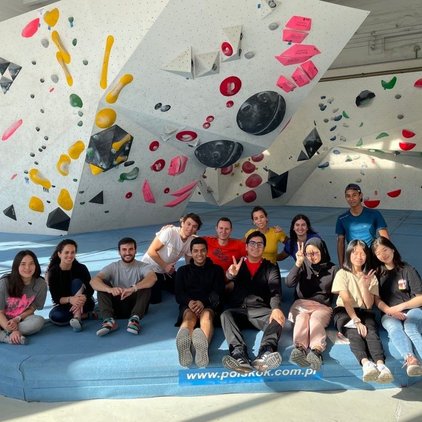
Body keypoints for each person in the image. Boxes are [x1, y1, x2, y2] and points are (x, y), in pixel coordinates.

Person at [221, 231, 285, 373]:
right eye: (252, 243)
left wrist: (275, 308)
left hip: (260, 310)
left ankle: (265, 352)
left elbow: (275, 290)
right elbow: (227, 279)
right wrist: (231, 274)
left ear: (264, 248)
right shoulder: (237, 264)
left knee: (277, 318)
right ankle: (239, 355)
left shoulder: (271, 267)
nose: (256, 246)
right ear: (246, 246)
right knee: (225, 315)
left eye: (260, 244)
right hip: (239, 309)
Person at [331, 239, 393, 383]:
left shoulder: (371, 276)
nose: (359, 256)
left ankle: (381, 365)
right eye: (355, 252)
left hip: (365, 310)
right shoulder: (342, 273)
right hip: (345, 311)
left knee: (371, 332)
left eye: (362, 253)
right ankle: (366, 364)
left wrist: (365, 286)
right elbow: (345, 299)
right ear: (348, 254)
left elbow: (369, 304)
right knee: (354, 333)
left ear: (367, 256)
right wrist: (356, 320)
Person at [372, 236, 422, 377]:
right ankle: (410, 360)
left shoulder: (407, 269)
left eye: (385, 249)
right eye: (378, 253)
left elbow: (420, 298)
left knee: (410, 326)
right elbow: (376, 300)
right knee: (394, 328)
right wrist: (389, 310)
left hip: (413, 310)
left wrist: (399, 308)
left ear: (392, 249)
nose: (383, 254)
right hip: (389, 313)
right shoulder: (377, 273)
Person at [286, 238, 337, 370]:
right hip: (301, 304)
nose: (312, 256)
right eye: (308, 253)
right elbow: (289, 283)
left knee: (315, 319)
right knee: (302, 317)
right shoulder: (303, 265)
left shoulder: (333, 269)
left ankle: (316, 351)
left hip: (322, 307)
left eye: (315, 252)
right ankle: (300, 349)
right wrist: (298, 263)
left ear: (322, 251)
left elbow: (339, 291)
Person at [175, 237, 225, 368]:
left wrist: (203, 302)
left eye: (202, 250)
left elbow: (218, 292)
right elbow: (179, 293)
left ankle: (202, 349)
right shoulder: (182, 271)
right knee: (189, 317)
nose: (199, 254)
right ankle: (184, 344)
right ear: (191, 252)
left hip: (208, 304)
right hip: (188, 305)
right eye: (196, 251)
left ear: (207, 251)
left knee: (206, 316)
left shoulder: (217, 270)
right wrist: (189, 302)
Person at [90, 237, 157, 336]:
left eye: (131, 249)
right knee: (102, 283)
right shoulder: (113, 267)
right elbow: (93, 281)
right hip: (117, 306)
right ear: (119, 252)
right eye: (124, 250)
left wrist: (133, 288)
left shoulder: (143, 266)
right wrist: (110, 289)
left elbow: (153, 278)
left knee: (145, 284)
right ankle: (109, 321)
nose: (127, 253)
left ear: (135, 250)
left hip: (136, 305)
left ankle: (134, 320)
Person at [142, 213, 202, 303]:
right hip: (150, 268)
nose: (190, 228)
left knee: (184, 289)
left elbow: (189, 262)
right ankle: (145, 281)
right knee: (155, 300)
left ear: (197, 229)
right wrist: (165, 266)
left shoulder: (191, 241)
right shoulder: (170, 232)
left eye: (194, 226)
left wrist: (195, 276)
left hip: (167, 271)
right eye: (188, 224)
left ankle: (162, 282)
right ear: (182, 223)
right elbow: (151, 251)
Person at [46, 239, 95, 332]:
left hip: (84, 303)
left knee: (76, 282)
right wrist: (71, 299)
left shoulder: (81, 268)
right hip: (67, 304)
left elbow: (90, 289)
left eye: (73, 252)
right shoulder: (53, 272)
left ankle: (77, 318)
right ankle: (86, 315)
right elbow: (56, 298)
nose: (70, 255)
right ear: (59, 254)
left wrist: (84, 297)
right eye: (66, 252)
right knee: (56, 316)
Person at [336, 183, 389, 267]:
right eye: (348, 196)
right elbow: (340, 243)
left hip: (372, 258)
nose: (351, 199)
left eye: (354, 195)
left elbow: (385, 238)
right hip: (354, 259)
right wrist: (341, 265)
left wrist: (387, 260)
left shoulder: (374, 214)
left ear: (360, 196)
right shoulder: (342, 219)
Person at [0, 250, 47, 345]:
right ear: (17, 266)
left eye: (31, 264)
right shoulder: (4, 282)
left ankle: (7, 335)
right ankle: (8, 337)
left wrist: (18, 319)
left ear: (36, 265)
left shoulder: (40, 284)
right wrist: (12, 330)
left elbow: (33, 307)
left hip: (21, 320)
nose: (27, 268)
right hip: (2, 319)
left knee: (38, 321)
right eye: (23, 264)